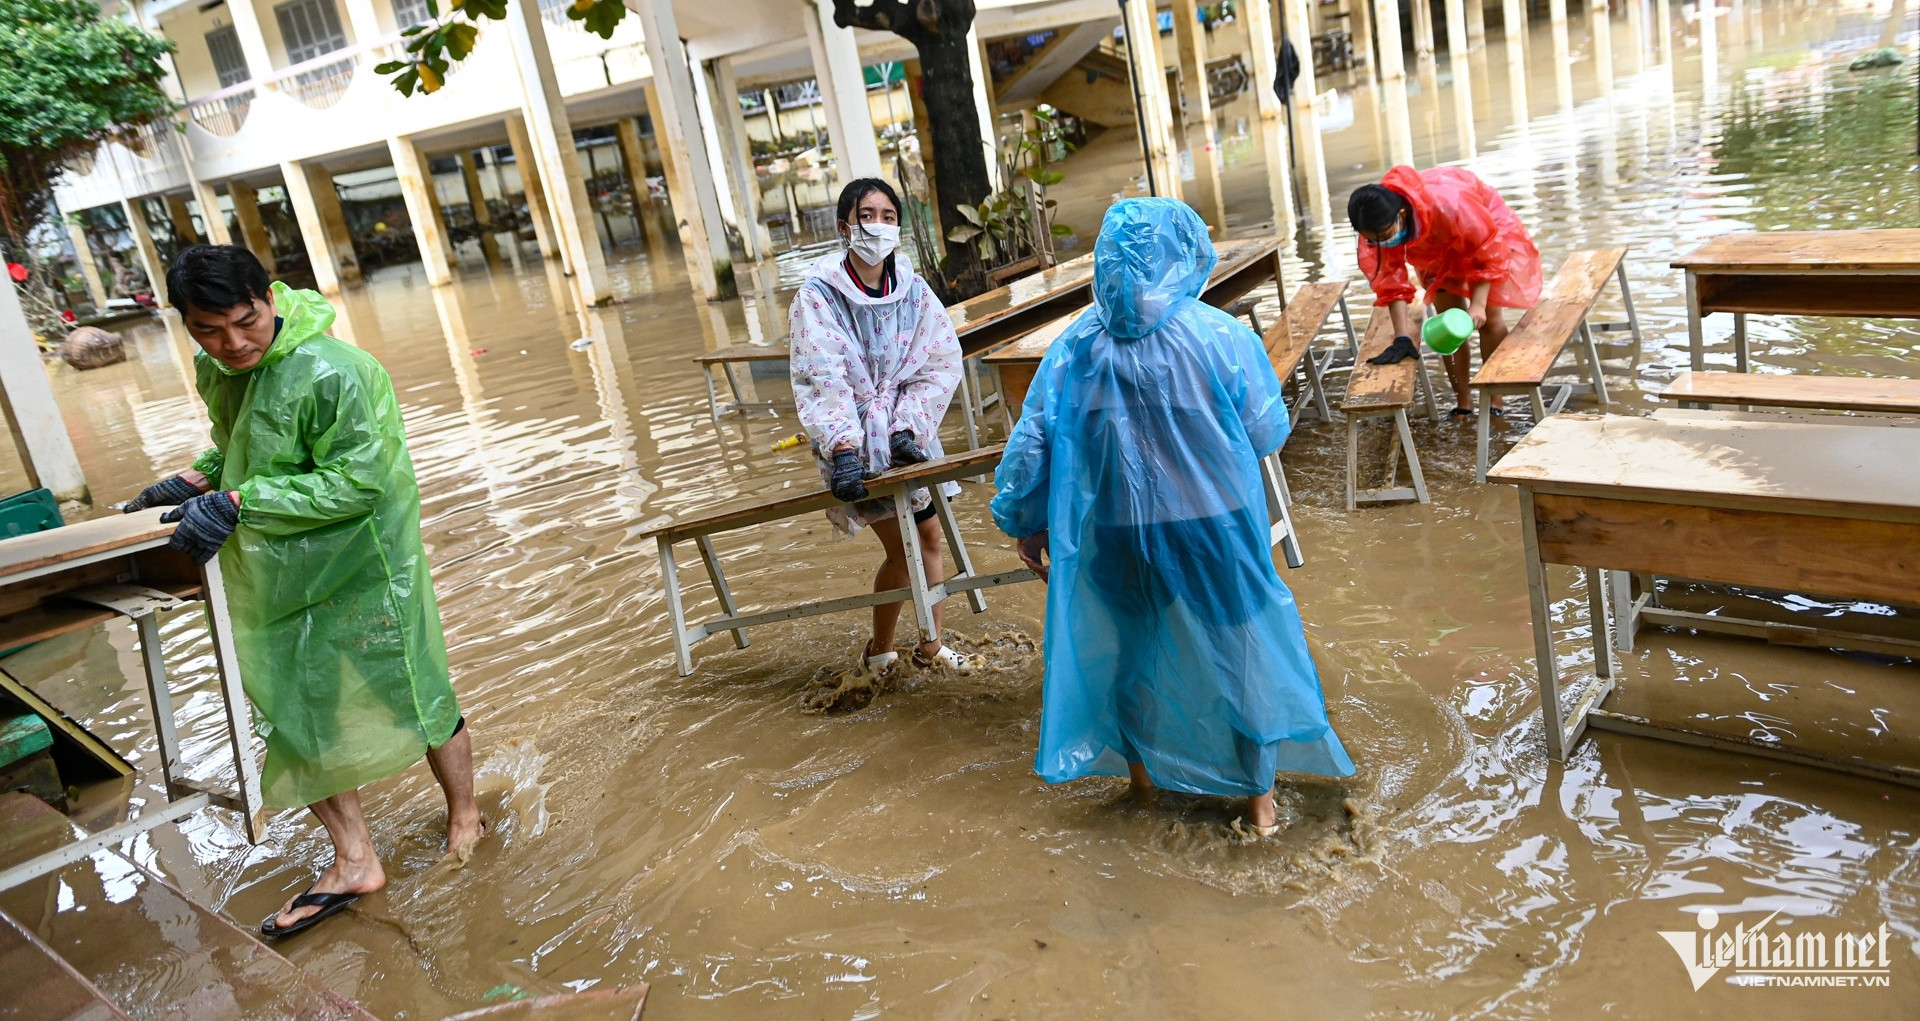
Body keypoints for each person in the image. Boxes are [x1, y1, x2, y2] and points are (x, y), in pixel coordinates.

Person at [124, 245, 483, 938]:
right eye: (208, 330)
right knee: (291, 703)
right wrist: (201, 478)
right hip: (277, 563)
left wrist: (237, 497)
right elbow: (240, 441)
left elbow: (359, 481)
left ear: (270, 296)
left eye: (245, 321)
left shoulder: (340, 371)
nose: (232, 343)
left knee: (413, 688)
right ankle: (355, 859)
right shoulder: (218, 367)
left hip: (365, 560)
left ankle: (466, 815)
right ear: (186, 326)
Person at [990, 199, 1354, 836]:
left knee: (1130, 653)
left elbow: (1032, 445)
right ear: (1182, 255)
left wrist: (1025, 520)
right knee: (1241, 650)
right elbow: (1266, 430)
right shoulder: (1217, 335)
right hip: (1211, 524)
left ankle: (1144, 787)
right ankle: (1259, 806)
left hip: (1114, 530)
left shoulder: (1073, 347)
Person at [789, 178, 970, 672]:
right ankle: (886, 648)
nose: (880, 225)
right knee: (903, 544)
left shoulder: (913, 290)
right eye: (868, 215)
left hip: (906, 439)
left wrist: (908, 427)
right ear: (845, 225)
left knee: (926, 538)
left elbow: (938, 359)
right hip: (853, 446)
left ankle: (917, 646)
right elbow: (819, 374)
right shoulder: (819, 296)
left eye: (890, 216)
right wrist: (843, 447)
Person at [1348, 166, 1543, 415]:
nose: (1381, 243)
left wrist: (1479, 304)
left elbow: (1488, 255)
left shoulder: (1453, 204)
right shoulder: (1376, 228)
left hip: (1483, 236)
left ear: (1401, 214)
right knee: (1449, 327)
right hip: (1433, 249)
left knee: (1489, 321)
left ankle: (1496, 399)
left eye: (1385, 235)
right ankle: (1464, 402)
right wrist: (1402, 337)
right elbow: (1390, 280)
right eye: (1373, 240)